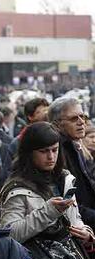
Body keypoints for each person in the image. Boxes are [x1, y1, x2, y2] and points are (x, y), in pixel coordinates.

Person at [0, 122, 93, 259]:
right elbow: (10, 234)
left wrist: (87, 234)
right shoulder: (17, 188)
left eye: (54, 150)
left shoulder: (65, 179)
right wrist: (48, 212)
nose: (51, 156)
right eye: (44, 151)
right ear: (30, 152)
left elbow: (76, 219)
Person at [48, 97, 95, 231]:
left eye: (83, 117)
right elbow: (65, 200)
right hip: (74, 226)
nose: (81, 122)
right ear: (57, 124)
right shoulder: (56, 152)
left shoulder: (74, 145)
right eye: (74, 119)